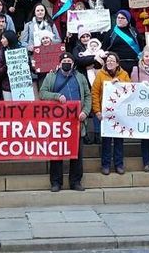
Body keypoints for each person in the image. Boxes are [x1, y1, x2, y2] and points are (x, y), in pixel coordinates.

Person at [39, 53, 91, 192]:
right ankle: (56, 182)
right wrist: (56, 96)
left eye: (69, 61)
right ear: (60, 62)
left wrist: (85, 112)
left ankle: (75, 182)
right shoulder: (51, 77)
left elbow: (87, 95)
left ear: (73, 64)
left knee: (77, 153)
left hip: (76, 122)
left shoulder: (80, 77)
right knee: (56, 152)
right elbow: (42, 93)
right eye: (64, 60)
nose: (67, 63)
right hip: (57, 123)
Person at [91, 53, 130, 175]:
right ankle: (106, 165)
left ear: (117, 63)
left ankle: (119, 164)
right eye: (108, 61)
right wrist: (97, 111)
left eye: (112, 61)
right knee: (106, 141)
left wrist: (120, 84)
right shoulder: (100, 75)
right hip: (105, 114)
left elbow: (130, 90)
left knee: (119, 141)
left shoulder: (124, 75)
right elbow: (95, 93)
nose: (110, 63)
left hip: (120, 114)